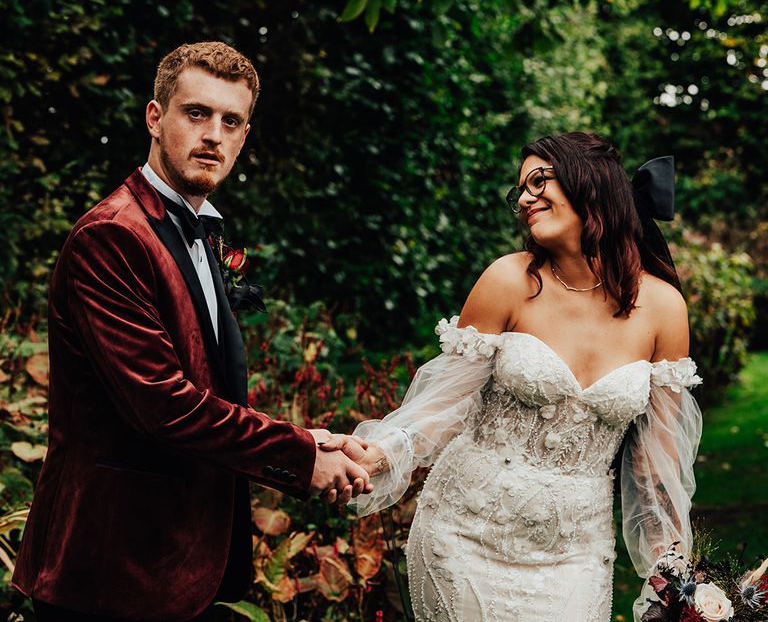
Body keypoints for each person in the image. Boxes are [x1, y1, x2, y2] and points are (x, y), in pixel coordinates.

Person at [12, 41, 371, 622]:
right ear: (155, 118)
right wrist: (301, 455)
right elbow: (164, 404)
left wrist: (311, 436)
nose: (213, 135)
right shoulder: (113, 236)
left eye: (231, 121)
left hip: (176, 565)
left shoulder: (201, 233)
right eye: (196, 113)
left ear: (245, 136)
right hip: (109, 570)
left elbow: (207, 387)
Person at [324, 132, 703, 621]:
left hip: (576, 552)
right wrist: (378, 455)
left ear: (591, 183)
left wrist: (673, 576)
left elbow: (658, 466)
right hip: (462, 537)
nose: (525, 198)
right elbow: (443, 404)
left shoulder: (664, 308)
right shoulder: (507, 280)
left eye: (539, 180)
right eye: (520, 189)